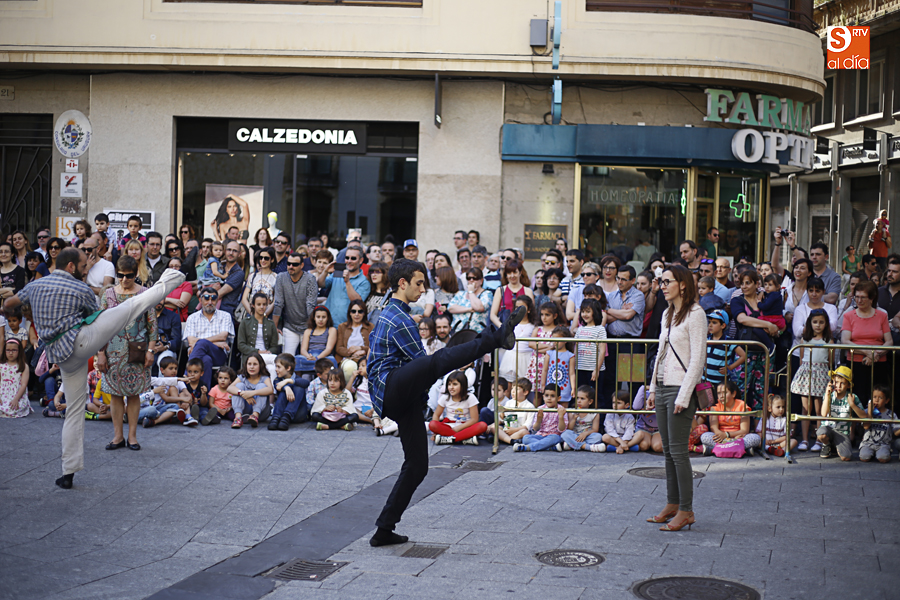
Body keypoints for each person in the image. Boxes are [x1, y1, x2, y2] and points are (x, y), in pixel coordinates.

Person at [367, 258, 525, 546]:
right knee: (437, 361)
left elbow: (421, 370)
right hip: (390, 388)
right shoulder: (398, 318)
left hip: (401, 395)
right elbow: (424, 364)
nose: (422, 289)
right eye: (418, 284)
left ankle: (384, 530)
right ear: (401, 283)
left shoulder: (395, 312)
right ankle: (494, 337)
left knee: (418, 466)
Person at [5, 244, 184, 488]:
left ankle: (68, 473)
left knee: (74, 412)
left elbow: (10, 304)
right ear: (70, 266)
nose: (85, 270)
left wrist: (23, 307)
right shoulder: (80, 288)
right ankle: (174, 277)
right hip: (82, 342)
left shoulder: (34, 285)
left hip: (61, 355)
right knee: (131, 307)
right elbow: (94, 315)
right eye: (82, 266)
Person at [645, 264, 706, 531]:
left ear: (682, 284)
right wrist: (652, 388)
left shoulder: (696, 314)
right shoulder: (668, 313)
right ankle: (672, 503)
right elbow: (661, 352)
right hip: (662, 386)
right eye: (661, 282)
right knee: (668, 450)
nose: (662, 286)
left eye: (667, 281)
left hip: (681, 389)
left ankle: (686, 510)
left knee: (679, 452)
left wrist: (684, 394)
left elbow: (697, 359)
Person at [97, 255, 159, 454]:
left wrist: (151, 351)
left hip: (137, 350)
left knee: (134, 394)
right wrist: (100, 353)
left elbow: (152, 325)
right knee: (115, 394)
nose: (124, 279)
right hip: (112, 350)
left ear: (136, 274)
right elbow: (100, 325)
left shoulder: (145, 294)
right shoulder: (108, 294)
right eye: (121, 275)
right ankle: (118, 436)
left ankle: (132, 436)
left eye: (129, 275)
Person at [840, 280, 893, 405]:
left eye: (863, 297)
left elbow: (889, 341)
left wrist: (875, 354)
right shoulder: (848, 316)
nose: (859, 300)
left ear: (871, 298)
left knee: (877, 399)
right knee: (857, 398)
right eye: (857, 297)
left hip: (879, 362)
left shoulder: (882, 315)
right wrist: (868, 352)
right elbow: (845, 341)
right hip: (856, 363)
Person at [790, 309, 832, 452]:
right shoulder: (805, 340)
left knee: (819, 409)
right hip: (806, 374)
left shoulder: (829, 341)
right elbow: (802, 359)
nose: (818, 325)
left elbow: (830, 361)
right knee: (805, 409)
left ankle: (819, 440)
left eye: (821, 322)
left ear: (826, 324)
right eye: (815, 322)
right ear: (810, 323)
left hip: (821, 375)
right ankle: (805, 440)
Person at [603, 264, 645, 405]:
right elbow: (606, 318)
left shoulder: (638, 295)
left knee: (634, 381)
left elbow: (628, 316)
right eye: (618, 278)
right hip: (611, 341)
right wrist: (620, 311)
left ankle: (634, 413)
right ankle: (610, 412)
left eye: (623, 279)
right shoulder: (611, 296)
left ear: (632, 281)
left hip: (631, 342)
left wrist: (611, 311)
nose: (619, 282)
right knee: (611, 380)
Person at [183, 287, 235, 391]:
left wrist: (201, 342)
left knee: (202, 343)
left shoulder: (225, 316)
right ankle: (203, 395)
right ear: (200, 300)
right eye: (206, 298)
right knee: (206, 360)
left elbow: (223, 336)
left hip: (218, 354)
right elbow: (191, 341)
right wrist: (217, 343)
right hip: (204, 355)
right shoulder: (192, 318)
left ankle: (186, 379)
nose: (210, 302)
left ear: (217, 300)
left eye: (213, 298)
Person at [698, 381, 761, 456]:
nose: (721, 396)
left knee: (755, 438)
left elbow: (744, 430)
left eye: (724, 393)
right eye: (719, 393)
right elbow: (714, 428)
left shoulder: (742, 406)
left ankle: (715, 449)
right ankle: (740, 449)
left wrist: (727, 435)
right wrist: (722, 435)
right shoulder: (715, 407)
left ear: (733, 394)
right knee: (705, 436)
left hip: (738, 437)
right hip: (721, 438)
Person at [816, 366, 866, 460]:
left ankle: (834, 446)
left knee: (846, 457)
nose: (838, 386)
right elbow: (823, 413)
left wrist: (852, 405)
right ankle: (826, 444)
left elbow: (864, 416)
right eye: (836, 382)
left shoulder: (852, 396)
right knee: (821, 433)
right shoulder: (828, 395)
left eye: (842, 383)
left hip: (842, 432)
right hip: (828, 428)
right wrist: (827, 395)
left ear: (849, 385)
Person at [429, 370, 487, 445]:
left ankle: (449, 439)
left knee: (482, 425)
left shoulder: (471, 397)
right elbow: (436, 415)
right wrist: (435, 432)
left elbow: (474, 419)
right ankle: (464, 439)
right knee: (432, 424)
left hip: (465, 426)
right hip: (449, 426)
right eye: (449, 384)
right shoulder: (445, 397)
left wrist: (459, 428)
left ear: (463, 386)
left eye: (455, 384)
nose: (451, 387)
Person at [317, 246, 370, 327]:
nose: (349, 261)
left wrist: (347, 282)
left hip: (347, 326)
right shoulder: (338, 273)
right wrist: (325, 271)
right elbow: (320, 284)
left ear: (361, 260)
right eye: (347, 258)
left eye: (353, 258)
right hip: (328, 323)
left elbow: (356, 301)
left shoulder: (364, 282)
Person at [512, 384, 567, 452]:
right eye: (547, 395)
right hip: (540, 436)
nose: (549, 398)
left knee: (555, 438)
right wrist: (539, 419)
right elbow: (536, 428)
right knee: (526, 438)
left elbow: (562, 430)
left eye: (552, 396)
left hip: (552, 436)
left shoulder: (561, 410)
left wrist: (561, 417)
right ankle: (549, 448)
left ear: (559, 398)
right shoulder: (540, 408)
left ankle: (527, 447)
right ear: (543, 397)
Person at [227, 353, 274, 428]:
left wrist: (252, 393)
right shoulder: (242, 377)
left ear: (260, 365)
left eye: (255, 364)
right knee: (238, 386)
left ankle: (255, 415)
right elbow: (229, 388)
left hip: (261, 413)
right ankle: (238, 418)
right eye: (249, 364)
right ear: (246, 365)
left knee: (261, 386)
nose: (252, 367)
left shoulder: (264, 378)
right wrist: (242, 393)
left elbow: (270, 390)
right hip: (244, 410)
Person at [237, 293, 280, 371]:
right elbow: (241, 345)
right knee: (274, 361)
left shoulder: (271, 324)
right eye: (259, 304)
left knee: (272, 368)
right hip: (250, 356)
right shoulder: (245, 322)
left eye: (264, 304)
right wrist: (258, 352)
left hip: (266, 356)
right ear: (253, 305)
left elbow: (274, 346)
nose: (262, 307)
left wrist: (268, 352)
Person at [267, 353, 310, 430]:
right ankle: (276, 418)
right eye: (276, 366)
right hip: (281, 414)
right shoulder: (277, 380)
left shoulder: (297, 378)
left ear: (288, 368)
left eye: (279, 367)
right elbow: (277, 386)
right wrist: (286, 388)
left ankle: (286, 417)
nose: (276, 369)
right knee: (283, 390)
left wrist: (288, 381)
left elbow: (306, 383)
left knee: (299, 387)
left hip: (297, 414)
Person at [486, 377, 535, 445]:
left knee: (524, 432)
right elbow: (503, 420)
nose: (513, 391)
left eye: (516, 389)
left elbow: (528, 425)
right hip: (507, 429)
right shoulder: (509, 403)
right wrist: (502, 412)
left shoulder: (530, 406)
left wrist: (515, 430)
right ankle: (510, 440)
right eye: (512, 388)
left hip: (519, 430)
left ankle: (504, 439)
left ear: (525, 392)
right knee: (494, 428)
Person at [705, 309, 745, 387]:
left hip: (721, 382)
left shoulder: (728, 341)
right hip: (706, 380)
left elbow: (743, 355)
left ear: (723, 326)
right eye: (709, 322)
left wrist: (730, 367)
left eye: (714, 323)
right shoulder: (707, 339)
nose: (710, 325)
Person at [336, 299, 373, 384]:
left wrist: (361, 349)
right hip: (347, 358)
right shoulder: (342, 327)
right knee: (350, 367)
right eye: (353, 311)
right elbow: (339, 348)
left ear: (364, 313)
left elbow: (373, 346)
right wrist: (352, 353)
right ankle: (349, 390)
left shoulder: (370, 327)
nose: (357, 314)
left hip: (364, 358)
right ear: (350, 313)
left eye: (360, 311)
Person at [489, 260, 534, 330]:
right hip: (504, 328)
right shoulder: (500, 290)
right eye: (509, 273)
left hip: (523, 329)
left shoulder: (528, 291)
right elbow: (493, 315)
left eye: (515, 272)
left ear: (520, 273)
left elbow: (532, 313)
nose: (512, 276)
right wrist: (502, 327)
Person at [448, 268, 493, 334]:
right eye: (469, 278)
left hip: (478, 333)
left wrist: (471, 292)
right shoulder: (460, 294)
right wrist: (469, 309)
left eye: (475, 278)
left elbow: (479, 308)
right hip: (458, 333)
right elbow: (450, 308)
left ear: (481, 281)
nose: (471, 280)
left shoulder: (487, 294)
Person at [559, 385, 603, 451]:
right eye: (577, 398)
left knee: (598, 437)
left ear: (590, 401)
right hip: (574, 435)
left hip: (586, 436)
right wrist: (574, 419)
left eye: (582, 399)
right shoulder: (572, 411)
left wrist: (585, 433)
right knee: (565, 434)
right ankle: (586, 447)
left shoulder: (594, 413)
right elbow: (569, 429)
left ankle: (572, 444)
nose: (579, 401)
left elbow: (595, 429)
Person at [859, 385, 895, 463]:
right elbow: (866, 426)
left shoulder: (890, 414)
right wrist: (870, 412)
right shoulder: (866, 411)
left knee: (883, 458)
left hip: (883, 444)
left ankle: (886, 453)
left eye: (880, 398)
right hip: (868, 443)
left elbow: (896, 431)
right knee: (864, 458)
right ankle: (871, 453)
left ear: (886, 400)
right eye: (874, 397)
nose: (876, 400)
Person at [540, 326, 575, 407]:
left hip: (564, 388)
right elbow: (544, 370)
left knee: (563, 409)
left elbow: (572, 373)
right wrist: (543, 384)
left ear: (565, 340)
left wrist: (573, 388)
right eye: (554, 339)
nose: (555, 342)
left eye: (558, 340)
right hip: (550, 388)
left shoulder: (570, 356)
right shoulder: (549, 353)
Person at [298, 306, 337, 373]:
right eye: (318, 317)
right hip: (309, 356)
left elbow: (329, 349)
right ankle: (299, 379)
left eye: (323, 317)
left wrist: (317, 358)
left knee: (332, 361)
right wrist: (309, 357)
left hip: (324, 357)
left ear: (328, 318)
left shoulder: (331, 330)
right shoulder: (308, 331)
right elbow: (303, 349)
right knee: (296, 360)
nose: (320, 320)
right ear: (314, 318)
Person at [0, 338, 31, 418]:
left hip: (17, 394)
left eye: (14, 350)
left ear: (19, 351)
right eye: (8, 350)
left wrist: (16, 399)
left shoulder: (24, 366)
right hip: (2, 394)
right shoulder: (1, 365)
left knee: (13, 408)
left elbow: (23, 385)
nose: (11, 353)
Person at [632, 384, 663, 452]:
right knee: (644, 446)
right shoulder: (645, 393)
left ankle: (653, 442)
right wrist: (643, 387)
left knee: (657, 447)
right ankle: (650, 442)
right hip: (643, 428)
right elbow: (636, 407)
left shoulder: (663, 392)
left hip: (658, 429)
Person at [878, 256, 900, 344]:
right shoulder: (878, 292)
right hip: (878, 342)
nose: (890, 274)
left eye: (894, 272)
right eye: (889, 271)